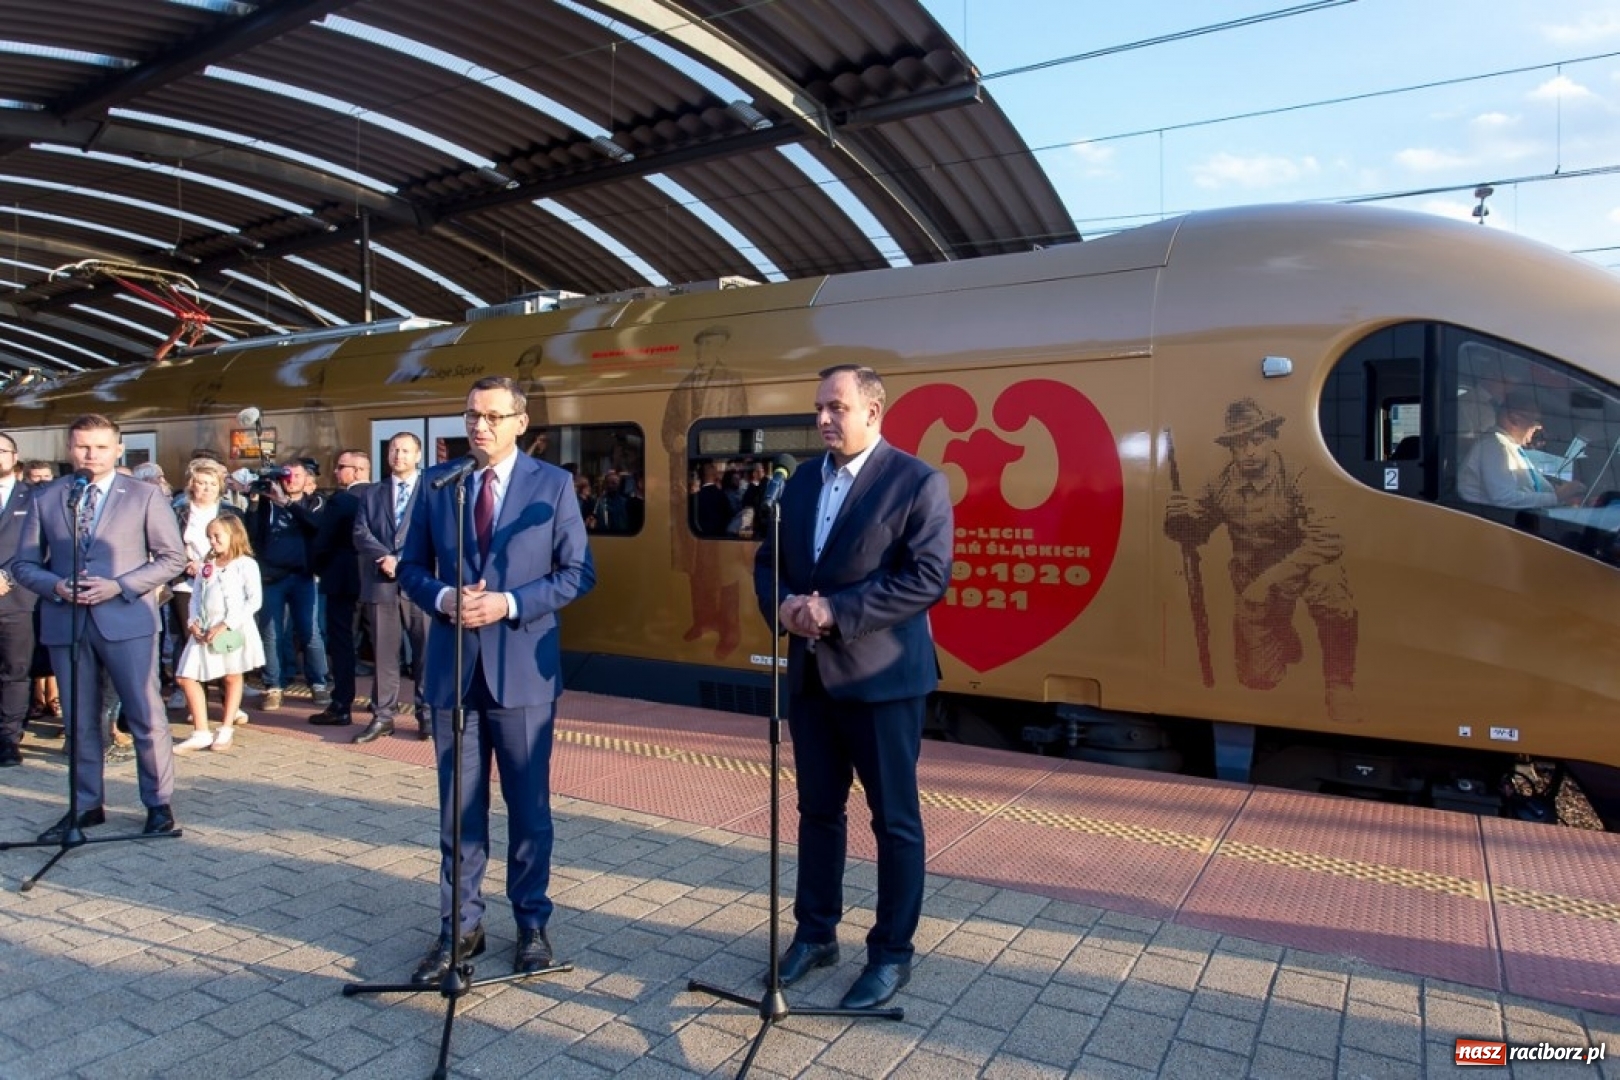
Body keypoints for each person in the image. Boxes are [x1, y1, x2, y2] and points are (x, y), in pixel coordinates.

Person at [754, 364, 953, 1011]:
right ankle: (816, 934)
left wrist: (836, 612)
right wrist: (783, 606)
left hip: (884, 684)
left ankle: (892, 954)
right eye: (818, 407)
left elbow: (927, 577)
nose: (822, 419)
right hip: (812, 681)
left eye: (836, 407)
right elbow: (768, 560)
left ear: (874, 410)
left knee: (894, 822)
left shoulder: (918, 482)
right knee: (817, 813)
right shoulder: (801, 481)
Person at [397, 376, 595, 984]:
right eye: (471, 415)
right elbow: (408, 569)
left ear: (519, 422)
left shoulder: (553, 485)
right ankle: (461, 928)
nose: (477, 425)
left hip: (522, 672)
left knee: (530, 810)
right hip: (453, 673)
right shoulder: (440, 484)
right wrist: (444, 596)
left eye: (490, 415)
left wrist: (508, 603)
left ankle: (532, 923)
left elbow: (578, 573)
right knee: (459, 809)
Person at [13, 413, 186, 841]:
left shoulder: (144, 496)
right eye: (82, 447)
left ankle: (158, 804)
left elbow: (172, 558)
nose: (91, 455)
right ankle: (86, 805)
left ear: (118, 449)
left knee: (145, 715)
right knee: (79, 718)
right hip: (66, 622)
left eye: (100, 447)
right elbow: (23, 564)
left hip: (127, 621)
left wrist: (119, 586)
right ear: (69, 449)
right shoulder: (47, 497)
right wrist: (55, 584)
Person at [1163, 398, 1362, 723]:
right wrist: (1177, 521)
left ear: (1271, 439)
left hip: (1304, 567)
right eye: (1239, 445)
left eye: (1256, 441)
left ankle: (1340, 685)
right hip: (1253, 579)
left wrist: (1270, 581)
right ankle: (1282, 634)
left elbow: (1328, 538)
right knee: (1258, 680)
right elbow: (1195, 533)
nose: (1249, 452)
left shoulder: (1298, 477)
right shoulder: (1219, 484)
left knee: (1331, 590)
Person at [352, 432, 430, 741]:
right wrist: (384, 556)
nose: (399, 455)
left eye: (406, 451)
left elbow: (439, 534)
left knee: (426, 654)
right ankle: (383, 716)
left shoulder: (433, 492)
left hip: (421, 585)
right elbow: (360, 531)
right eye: (394, 450)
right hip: (381, 585)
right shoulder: (372, 493)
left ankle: (427, 716)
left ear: (418, 456)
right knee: (384, 654)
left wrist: (403, 560)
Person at [172, 516, 265, 752]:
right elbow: (196, 595)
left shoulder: (245, 564)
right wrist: (192, 621)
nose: (212, 542)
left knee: (232, 676)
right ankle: (201, 731)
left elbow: (254, 601)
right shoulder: (208, 564)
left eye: (217, 536)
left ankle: (225, 727)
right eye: (209, 537)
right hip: (204, 628)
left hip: (231, 628)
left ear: (233, 535)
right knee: (186, 676)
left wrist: (226, 624)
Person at [248, 458, 330, 710]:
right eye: (286, 475)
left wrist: (287, 503)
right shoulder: (266, 502)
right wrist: (253, 503)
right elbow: (252, 534)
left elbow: (315, 525)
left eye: (297, 475)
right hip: (272, 577)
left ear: (307, 479)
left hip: (303, 577)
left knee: (310, 632)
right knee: (270, 633)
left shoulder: (315, 502)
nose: (291, 480)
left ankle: (318, 683)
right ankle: (273, 686)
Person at [169, 459, 246, 709]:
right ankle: (193, 699)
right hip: (187, 583)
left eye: (212, 484)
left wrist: (211, 566)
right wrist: (186, 565)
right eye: (201, 483)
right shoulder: (177, 510)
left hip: (222, 582)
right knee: (191, 637)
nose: (206, 488)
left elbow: (239, 547)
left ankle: (228, 699)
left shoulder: (230, 513)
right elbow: (167, 545)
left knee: (222, 636)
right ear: (192, 484)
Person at [309, 449, 368, 728]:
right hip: (379, 582)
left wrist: (319, 567)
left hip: (342, 579)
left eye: (341, 466)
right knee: (384, 645)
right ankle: (384, 702)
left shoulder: (341, 501)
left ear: (357, 471)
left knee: (342, 642)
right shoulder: (383, 496)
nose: (335, 472)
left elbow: (323, 541)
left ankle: (342, 704)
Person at [1457, 390, 1586, 509]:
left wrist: (1564, 495)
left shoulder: (1511, 447)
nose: (1539, 426)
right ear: (1514, 418)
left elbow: (1540, 489)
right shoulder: (1494, 446)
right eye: (1535, 420)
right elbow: (1503, 498)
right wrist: (1556, 497)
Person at [0, 434, 38, 767]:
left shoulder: (34, 498)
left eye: (2, 451)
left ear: (15, 457)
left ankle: (9, 737)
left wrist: (9, 577)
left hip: (17, 598)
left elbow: (41, 545)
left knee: (15, 669)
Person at [21, 461, 59, 725]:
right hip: (26, 584)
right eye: (36, 477)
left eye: (46, 477)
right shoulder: (22, 506)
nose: (41, 482)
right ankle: (36, 698)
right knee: (31, 649)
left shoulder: (59, 504)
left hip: (54, 582)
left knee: (51, 648)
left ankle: (54, 698)